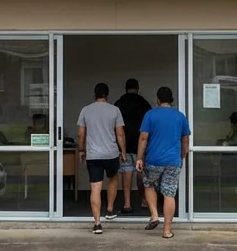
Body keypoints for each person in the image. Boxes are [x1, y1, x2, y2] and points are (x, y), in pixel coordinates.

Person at [136, 86, 190, 239]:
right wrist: (182, 155)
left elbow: (144, 138)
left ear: (158, 100)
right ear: (171, 100)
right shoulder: (180, 116)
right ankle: (167, 231)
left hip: (153, 159)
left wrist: (139, 157)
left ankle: (154, 215)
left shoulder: (150, 115)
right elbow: (185, 139)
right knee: (169, 193)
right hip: (173, 160)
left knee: (149, 184)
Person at [76, 82, 126, 233]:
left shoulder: (85, 110)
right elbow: (120, 134)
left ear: (94, 95)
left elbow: (80, 134)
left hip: (93, 155)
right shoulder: (115, 110)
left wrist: (81, 149)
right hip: (111, 153)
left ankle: (97, 223)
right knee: (113, 178)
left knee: (95, 188)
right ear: (107, 95)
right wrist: (123, 151)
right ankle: (110, 209)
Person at [113, 78, 152, 214]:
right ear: (138, 88)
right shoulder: (144, 104)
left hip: (124, 144)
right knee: (141, 172)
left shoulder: (118, 104)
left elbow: (115, 126)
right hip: (141, 143)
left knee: (126, 172)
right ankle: (143, 200)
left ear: (125, 88)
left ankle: (127, 203)